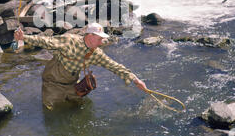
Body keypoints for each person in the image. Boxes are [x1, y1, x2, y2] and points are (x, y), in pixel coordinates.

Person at [14, 22, 148, 110]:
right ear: (90, 36)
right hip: (52, 84)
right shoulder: (68, 41)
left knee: (80, 109)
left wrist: (135, 80)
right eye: (100, 38)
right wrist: (23, 37)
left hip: (72, 85)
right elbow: (46, 41)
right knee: (52, 113)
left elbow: (114, 66)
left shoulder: (96, 53)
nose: (102, 42)